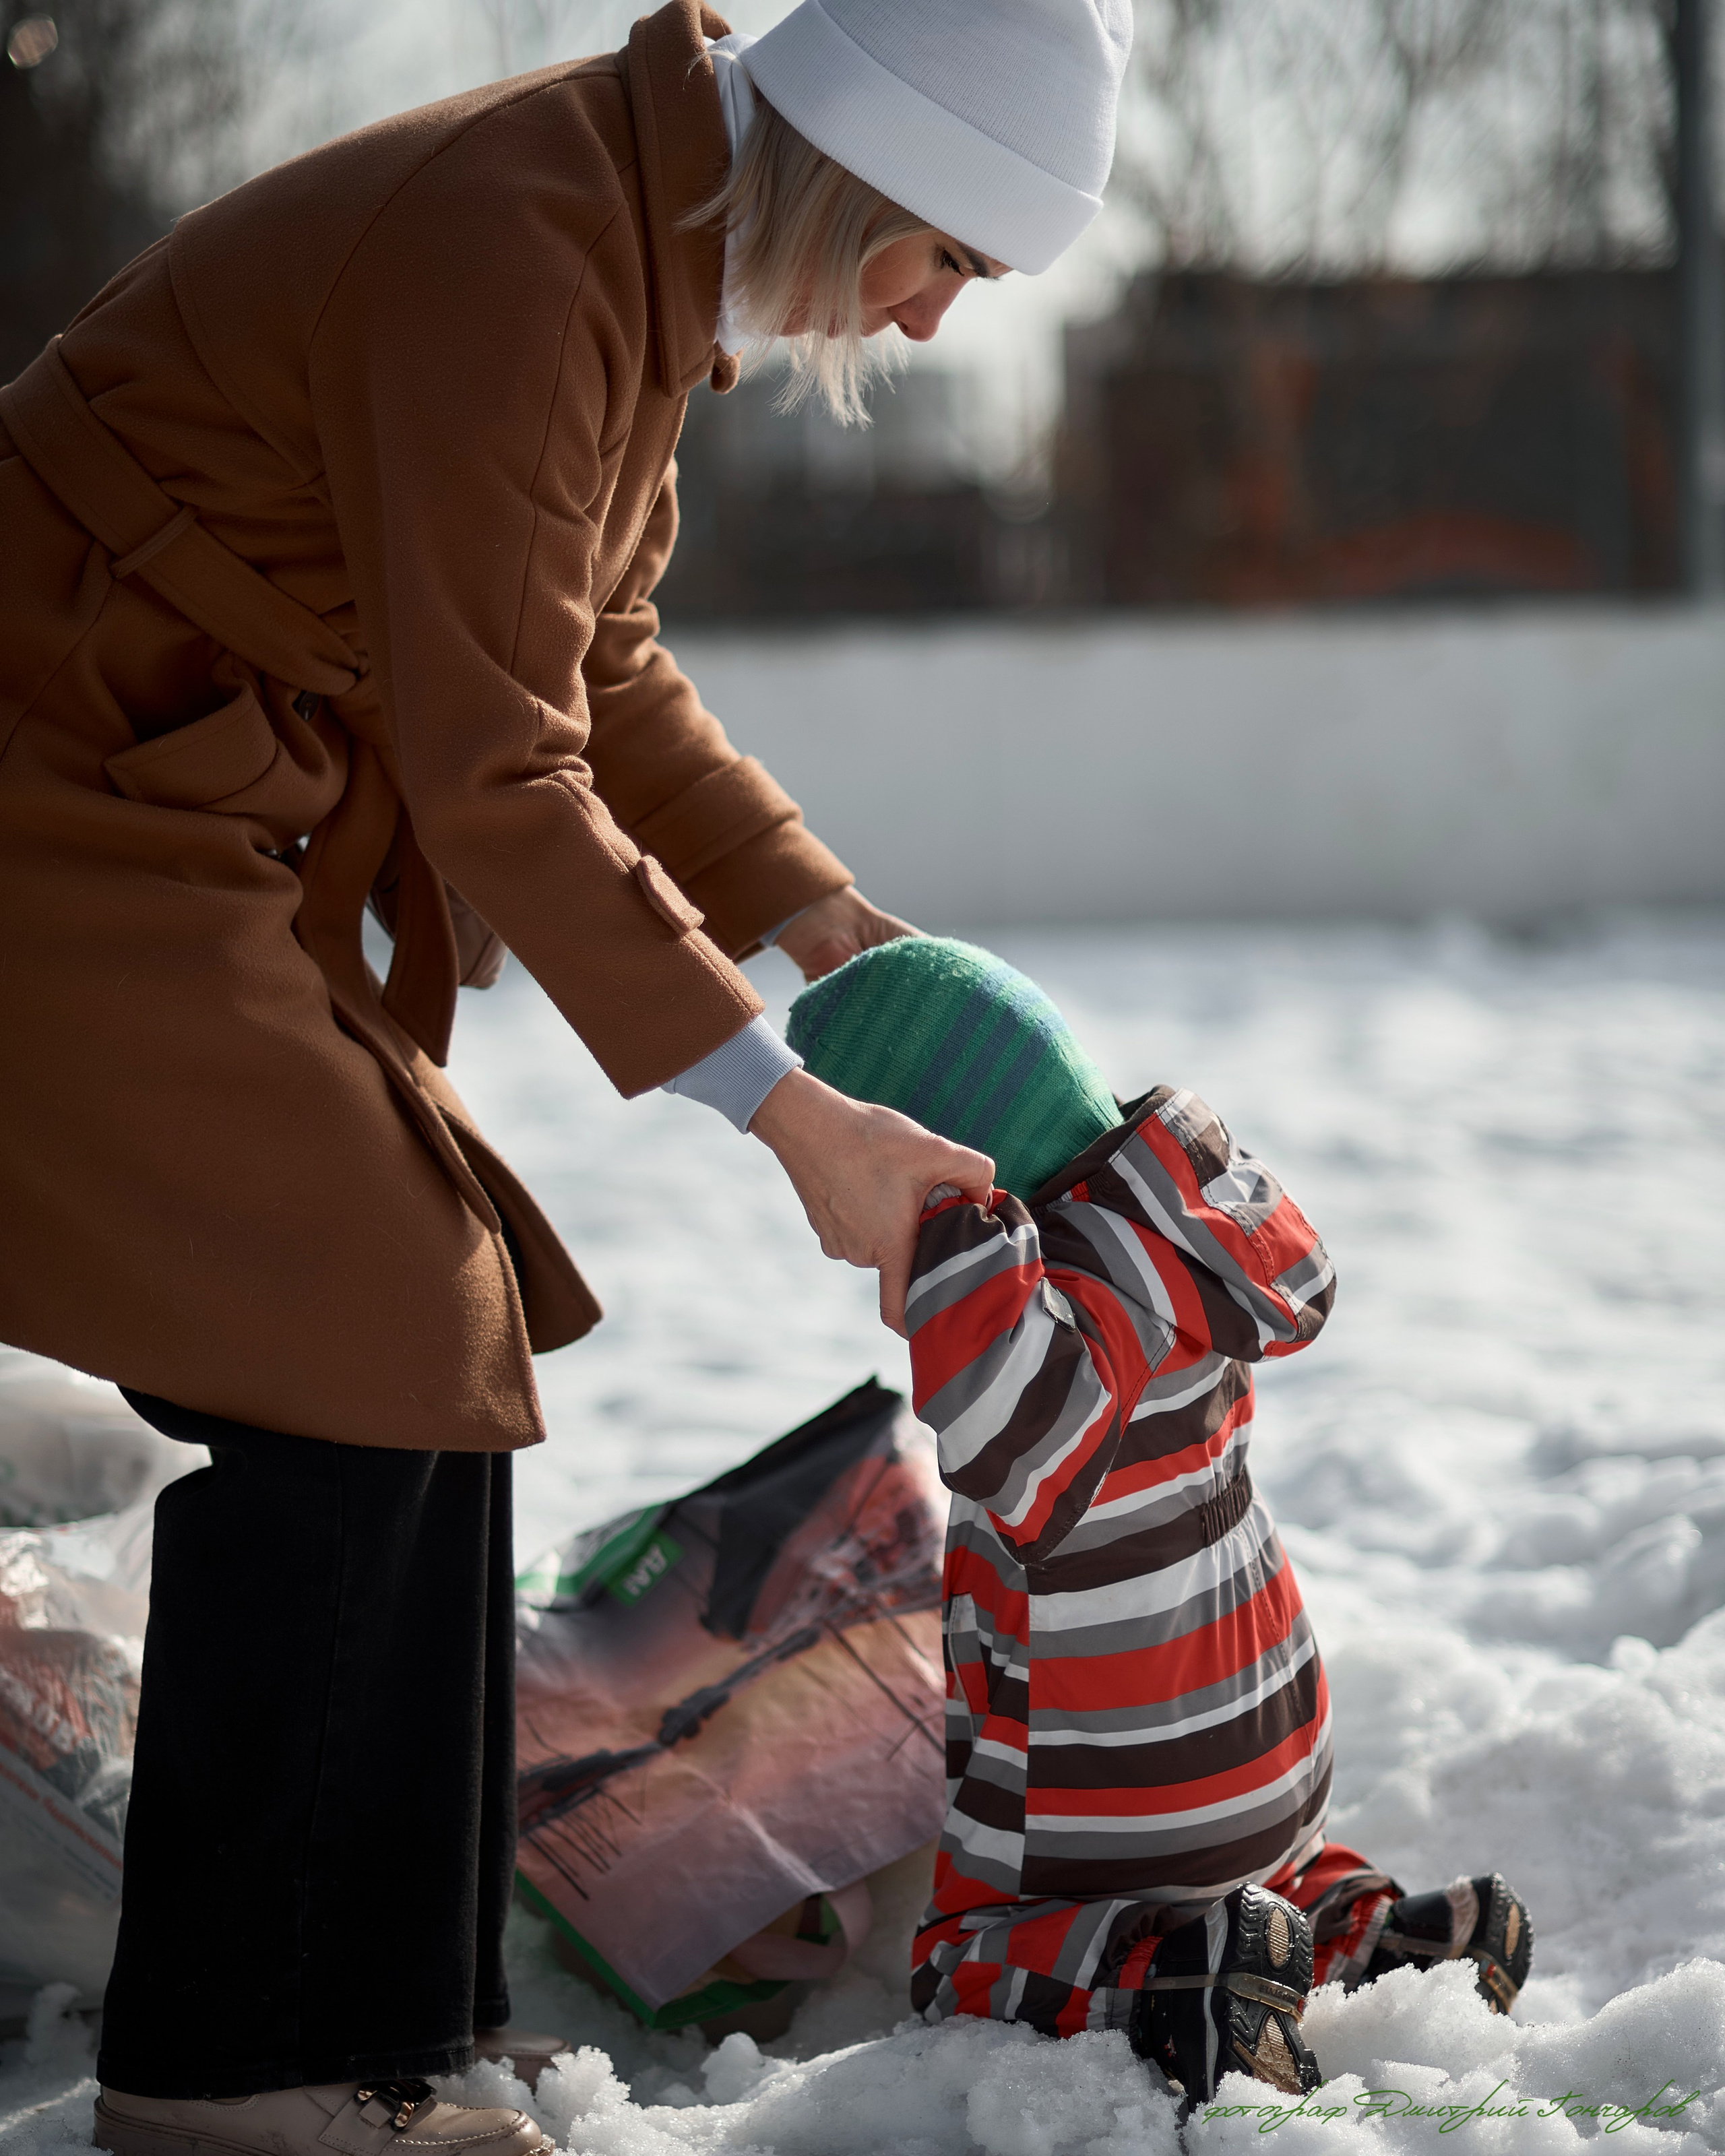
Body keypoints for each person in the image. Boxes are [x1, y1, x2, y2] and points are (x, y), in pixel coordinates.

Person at [0, 3, 1132, 2152]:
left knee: (440, 1325)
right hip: (50, 793)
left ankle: (391, 2028)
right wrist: (792, 1125)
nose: (919, 320)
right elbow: (500, 766)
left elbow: (593, 656)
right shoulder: (523, 249)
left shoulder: (614, 241)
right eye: (948, 264)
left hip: (156, 805)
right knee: (354, 1329)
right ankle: (228, 2069)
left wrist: (830, 927)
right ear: (873, 183)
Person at [786, 939, 1534, 2106]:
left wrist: (943, 1235)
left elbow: (1004, 1438)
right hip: (1268, 1739)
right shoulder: (1174, 1248)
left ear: (933, 1161)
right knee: (1268, 1874)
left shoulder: (1051, 1326)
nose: (827, 1221)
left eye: (834, 1173)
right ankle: (1376, 1934)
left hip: (1129, 1792)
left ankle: (1172, 1972)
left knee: (963, 1960)